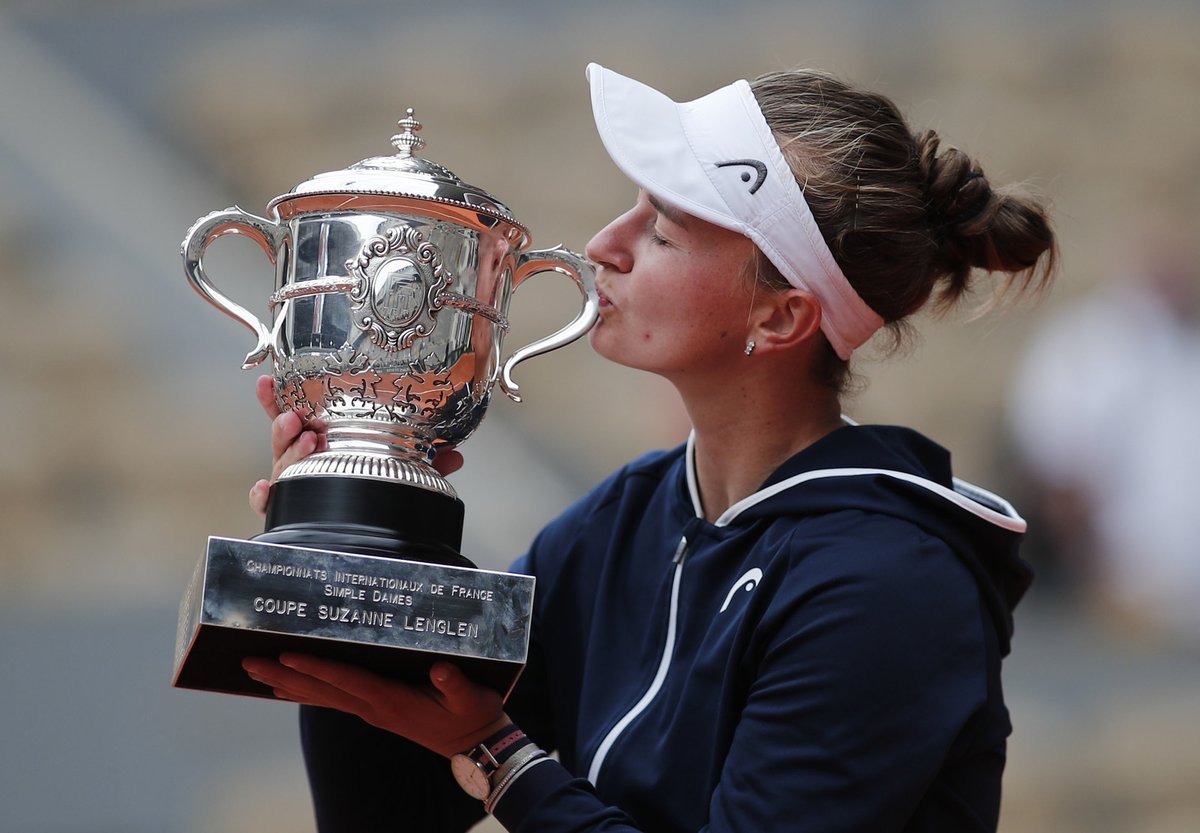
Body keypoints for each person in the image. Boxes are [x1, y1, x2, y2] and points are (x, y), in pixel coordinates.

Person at [243, 62, 1056, 833]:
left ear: (781, 317)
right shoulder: (625, 518)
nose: (605, 243)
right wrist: (354, 550)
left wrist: (497, 752)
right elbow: (392, 815)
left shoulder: (886, 584)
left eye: (663, 230)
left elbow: (483, 747)